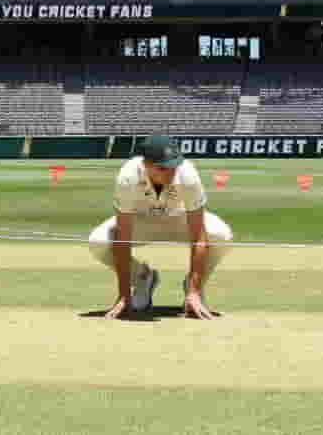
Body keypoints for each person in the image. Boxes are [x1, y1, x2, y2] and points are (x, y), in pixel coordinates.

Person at [88, 135, 233, 320]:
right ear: (146, 164)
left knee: (222, 235)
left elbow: (198, 235)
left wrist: (195, 290)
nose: (170, 173)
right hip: (141, 221)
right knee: (98, 241)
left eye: (173, 166)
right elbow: (122, 237)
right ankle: (142, 277)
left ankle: (193, 285)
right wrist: (124, 295)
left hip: (179, 220)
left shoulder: (188, 174)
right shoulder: (128, 176)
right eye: (162, 168)